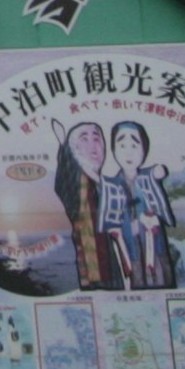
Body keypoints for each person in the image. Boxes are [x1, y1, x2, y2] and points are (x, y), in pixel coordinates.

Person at [108, 120, 174, 291]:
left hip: (153, 241)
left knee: (160, 275)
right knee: (134, 277)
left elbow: (158, 171)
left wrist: (160, 170)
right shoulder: (113, 185)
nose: (128, 152)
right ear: (114, 150)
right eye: (122, 145)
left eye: (135, 145)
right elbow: (111, 219)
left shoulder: (147, 177)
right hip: (130, 246)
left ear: (144, 149)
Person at [57, 120, 114, 291]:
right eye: (84, 139)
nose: (93, 146)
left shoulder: (106, 183)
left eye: (97, 139)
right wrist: (65, 150)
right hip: (92, 266)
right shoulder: (76, 181)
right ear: (74, 148)